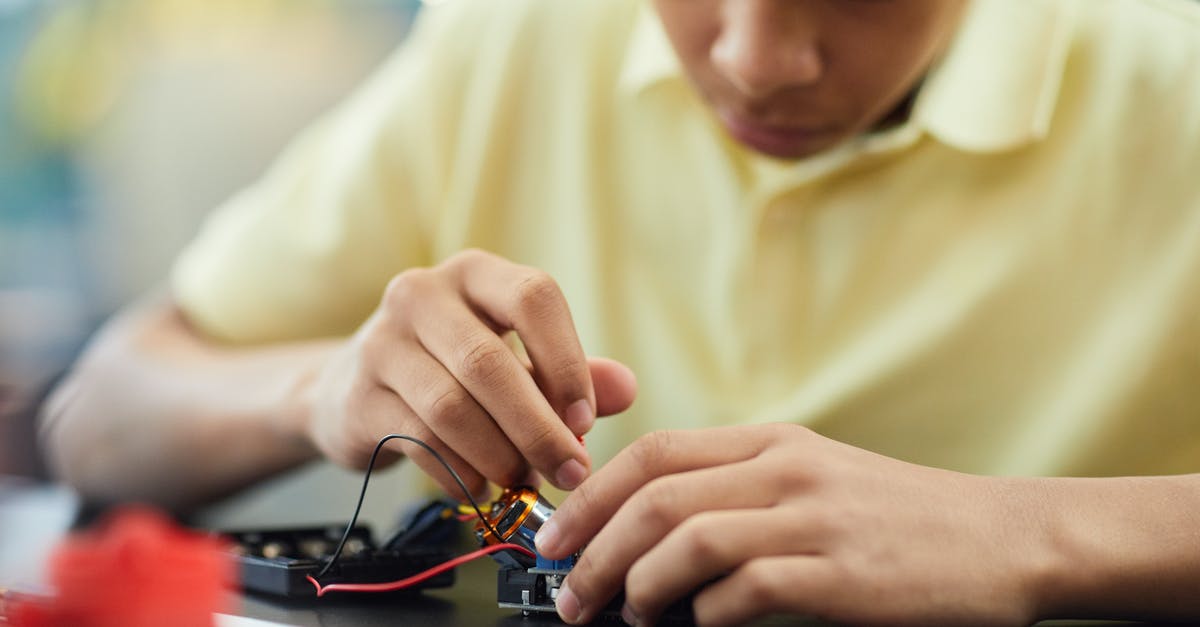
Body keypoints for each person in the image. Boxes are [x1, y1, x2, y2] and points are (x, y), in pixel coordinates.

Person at [40, 0, 1200, 624]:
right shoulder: (516, 37)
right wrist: (320, 387)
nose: (756, 58)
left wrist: (1029, 534)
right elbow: (94, 416)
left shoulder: (1174, 80)